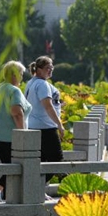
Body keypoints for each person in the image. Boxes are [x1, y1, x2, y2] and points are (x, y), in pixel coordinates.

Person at [0, 61, 32, 203]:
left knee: (10, 165)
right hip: (11, 137)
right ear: (15, 74)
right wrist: (23, 134)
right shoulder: (14, 90)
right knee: (17, 166)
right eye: (21, 74)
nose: (22, 77)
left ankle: (7, 195)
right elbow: (17, 112)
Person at [25, 56, 64, 200]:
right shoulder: (42, 84)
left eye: (52, 67)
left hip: (34, 126)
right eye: (48, 68)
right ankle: (37, 187)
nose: (50, 70)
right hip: (46, 127)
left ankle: (37, 190)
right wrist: (59, 124)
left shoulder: (31, 82)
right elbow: (47, 105)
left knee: (42, 160)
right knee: (56, 159)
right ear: (39, 70)